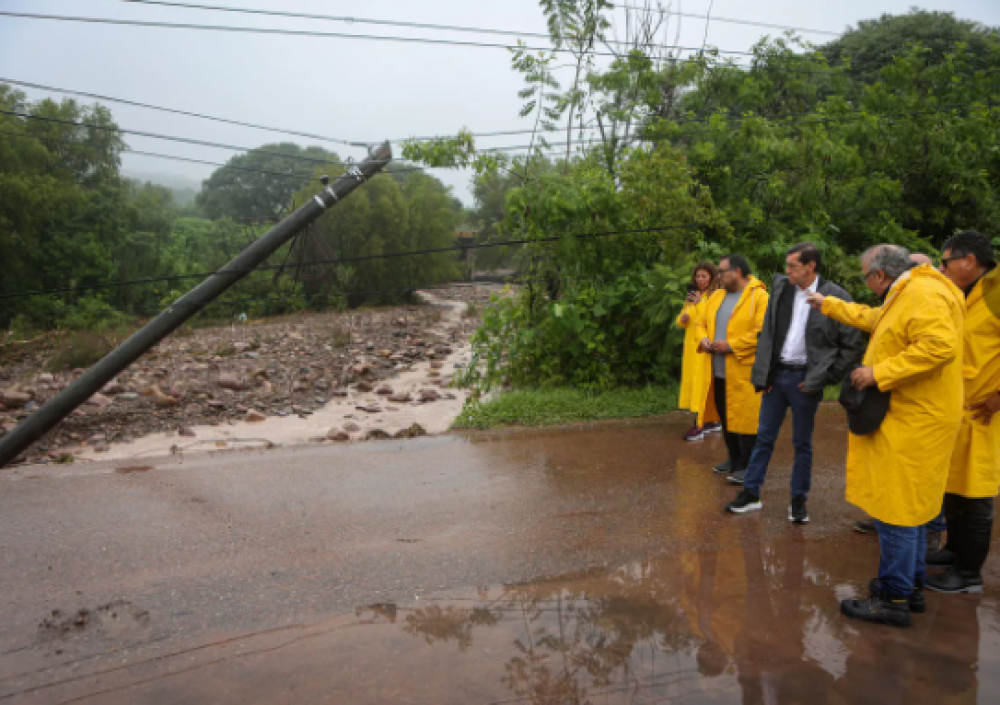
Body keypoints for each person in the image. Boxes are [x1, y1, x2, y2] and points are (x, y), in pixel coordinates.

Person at [806, 244, 965, 628]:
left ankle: (892, 598)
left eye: (865, 276)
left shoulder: (922, 294)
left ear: (879, 275)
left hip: (914, 420)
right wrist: (828, 304)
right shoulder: (908, 293)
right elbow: (876, 319)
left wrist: (880, 372)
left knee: (896, 511)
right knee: (908, 511)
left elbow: (939, 346)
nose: (866, 282)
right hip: (917, 416)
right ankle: (908, 589)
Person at [725, 243, 864, 523]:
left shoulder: (835, 297)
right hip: (777, 378)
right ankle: (751, 493)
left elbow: (852, 344)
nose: (787, 271)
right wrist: (764, 374)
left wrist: (826, 376)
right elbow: (768, 334)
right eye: (787, 265)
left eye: (793, 266)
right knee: (764, 438)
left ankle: (798, 501)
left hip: (805, 381)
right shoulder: (781, 289)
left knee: (802, 443)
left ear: (811, 267)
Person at [925, 231, 1000, 594]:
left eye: (947, 260)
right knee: (954, 485)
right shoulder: (967, 292)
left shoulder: (996, 291)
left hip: (985, 409)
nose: (943, 267)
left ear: (969, 261)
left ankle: (969, 572)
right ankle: (953, 550)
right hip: (959, 406)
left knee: (976, 492)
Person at [694, 255, 769, 481]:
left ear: (737, 272)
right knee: (725, 416)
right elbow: (700, 322)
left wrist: (731, 346)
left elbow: (762, 333)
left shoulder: (760, 297)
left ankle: (747, 466)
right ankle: (734, 459)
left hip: (743, 370)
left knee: (745, 417)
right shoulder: (717, 295)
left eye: (722, 271)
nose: (718, 276)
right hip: (717, 370)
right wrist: (704, 338)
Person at [675, 262, 722, 441]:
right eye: (698, 276)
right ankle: (712, 420)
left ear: (711, 277)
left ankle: (699, 423)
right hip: (691, 345)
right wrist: (684, 317)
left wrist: (698, 303)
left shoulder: (715, 295)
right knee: (695, 381)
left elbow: (708, 318)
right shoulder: (694, 295)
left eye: (704, 276)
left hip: (705, 344)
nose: (700, 280)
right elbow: (683, 318)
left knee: (703, 383)